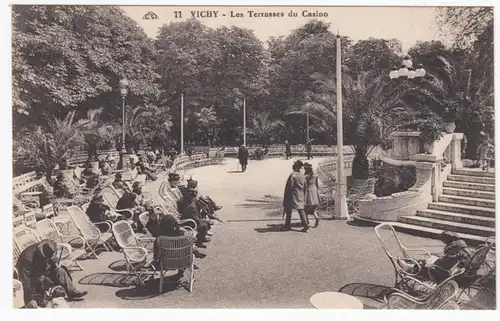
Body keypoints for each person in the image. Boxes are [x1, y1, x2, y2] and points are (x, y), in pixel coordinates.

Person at [16, 239, 87, 308]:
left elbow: (52, 260)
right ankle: (41, 297)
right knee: (40, 279)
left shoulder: (47, 249)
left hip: (44, 271)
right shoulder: (27, 259)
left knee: (61, 271)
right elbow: (25, 280)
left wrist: (54, 266)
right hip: (32, 277)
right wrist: (29, 299)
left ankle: (72, 292)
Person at [282, 160, 309, 232]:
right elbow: (305, 186)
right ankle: (306, 225)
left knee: (288, 210)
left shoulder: (292, 175)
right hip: (300, 195)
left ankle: (287, 225)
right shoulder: (302, 176)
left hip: (293, 195)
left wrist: (287, 196)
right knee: (301, 210)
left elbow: (289, 186)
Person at [303, 163, 320, 228]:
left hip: (308, 192)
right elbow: (317, 185)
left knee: (305, 208)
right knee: (313, 209)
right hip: (314, 192)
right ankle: (316, 217)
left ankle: (307, 222)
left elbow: (304, 185)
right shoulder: (315, 175)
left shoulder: (305, 176)